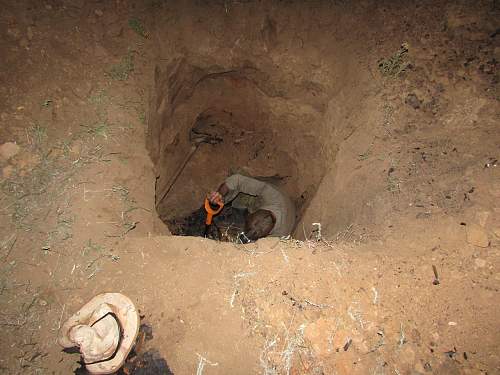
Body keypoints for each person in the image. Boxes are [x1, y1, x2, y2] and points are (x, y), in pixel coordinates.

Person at [208, 174, 296, 241]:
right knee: (239, 192)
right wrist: (219, 195)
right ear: (254, 211)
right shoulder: (272, 196)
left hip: (286, 212)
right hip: (274, 190)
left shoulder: (278, 237)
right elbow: (237, 180)